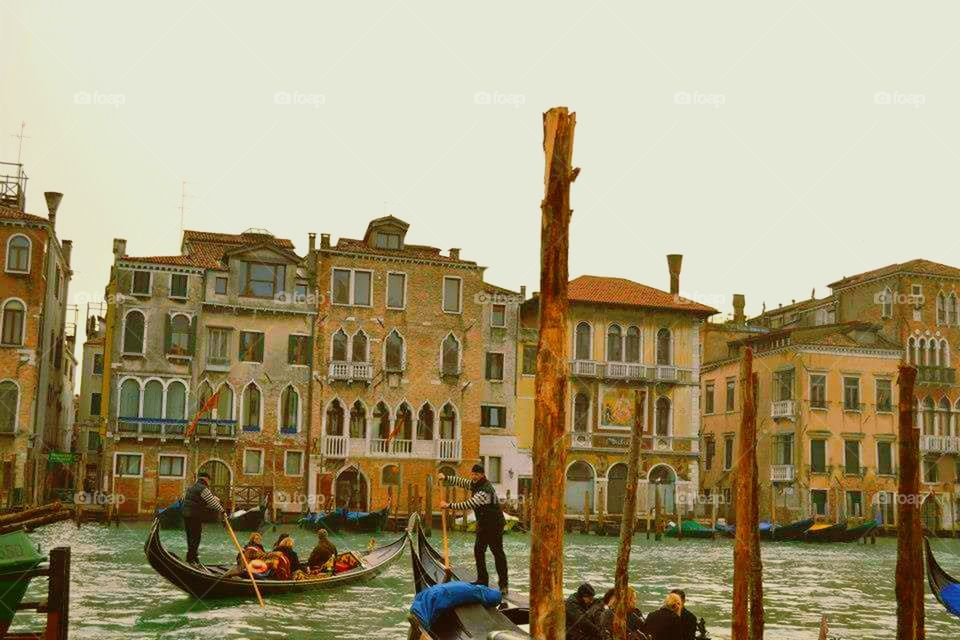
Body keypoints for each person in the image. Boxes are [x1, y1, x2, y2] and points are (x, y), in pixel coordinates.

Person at [439, 465, 508, 594]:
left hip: (494, 525)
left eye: (477, 474)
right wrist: (446, 477)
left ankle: (503, 586)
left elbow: (469, 504)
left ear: (482, 475)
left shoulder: (485, 490)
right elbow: (462, 482)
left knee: (498, 554)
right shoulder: (475, 483)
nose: (474, 476)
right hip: (483, 524)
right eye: (472, 474)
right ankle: (482, 580)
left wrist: (448, 505)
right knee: (478, 551)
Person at [181, 471, 226, 567]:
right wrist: (223, 511)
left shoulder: (191, 487)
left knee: (190, 536)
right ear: (207, 479)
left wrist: (213, 499)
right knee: (196, 537)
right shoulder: (203, 488)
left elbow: (194, 499)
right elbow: (212, 503)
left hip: (185, 514)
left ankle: (192, 558)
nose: (209, 483)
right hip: (194, 515)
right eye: (209, 481)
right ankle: (192, 559)